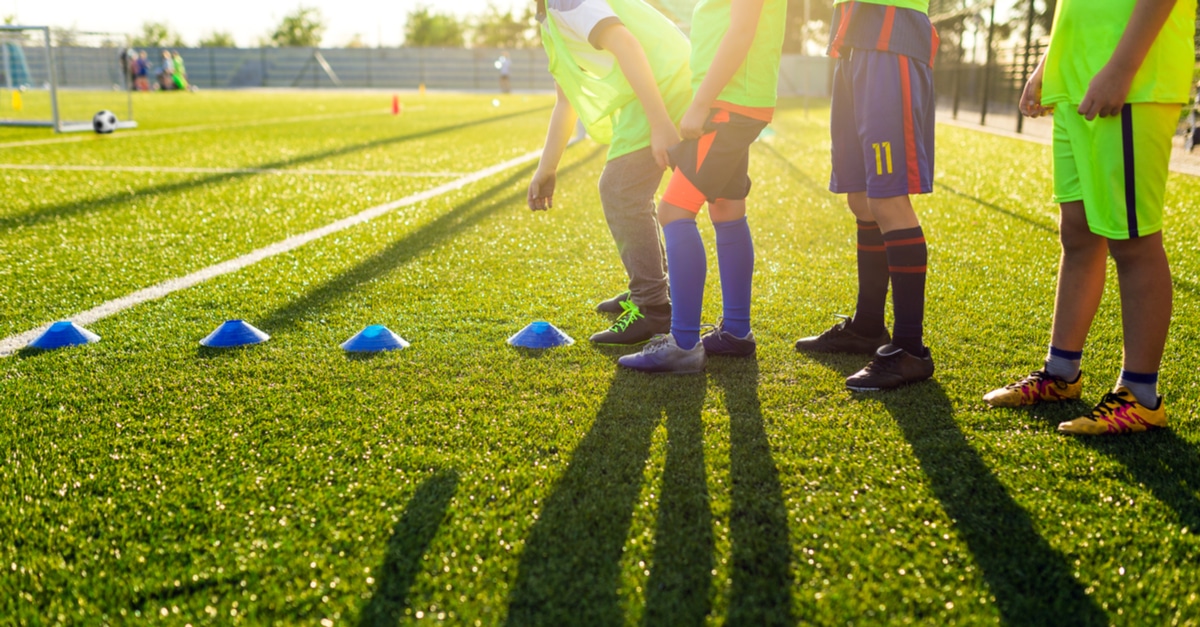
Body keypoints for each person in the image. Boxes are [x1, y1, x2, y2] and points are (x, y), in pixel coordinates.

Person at [984, 0, 1196, 435]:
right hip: (1076, 79)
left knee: (1132, 240)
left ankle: (1141, 396)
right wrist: (1047, 66)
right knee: (1077, 234)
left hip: (1130, 80)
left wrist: (1121, 68)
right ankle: (1061, 373)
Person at [617, 0, 786, 373]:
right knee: (726, 207)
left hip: (729, 101)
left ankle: (684, 343)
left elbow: (742, 30)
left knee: (673, 211)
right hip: (738, 98)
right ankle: (737, 333)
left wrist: (701, 102)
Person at [792, 0, 939, 391]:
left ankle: (909, 348)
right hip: (854, 40)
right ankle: (868, 325)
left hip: (891, 37)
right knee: (859, 196)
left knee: (888, 198)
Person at [528, 0, 692, 345]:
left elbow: (626, 44)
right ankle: (653, 293)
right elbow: (565, 100)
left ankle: (653, 308)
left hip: (664, 82)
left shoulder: (565, 1)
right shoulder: (549, 16)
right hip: (661, 81)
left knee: (620, 189)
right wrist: (547, 167)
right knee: (627, 190)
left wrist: (661, 123)